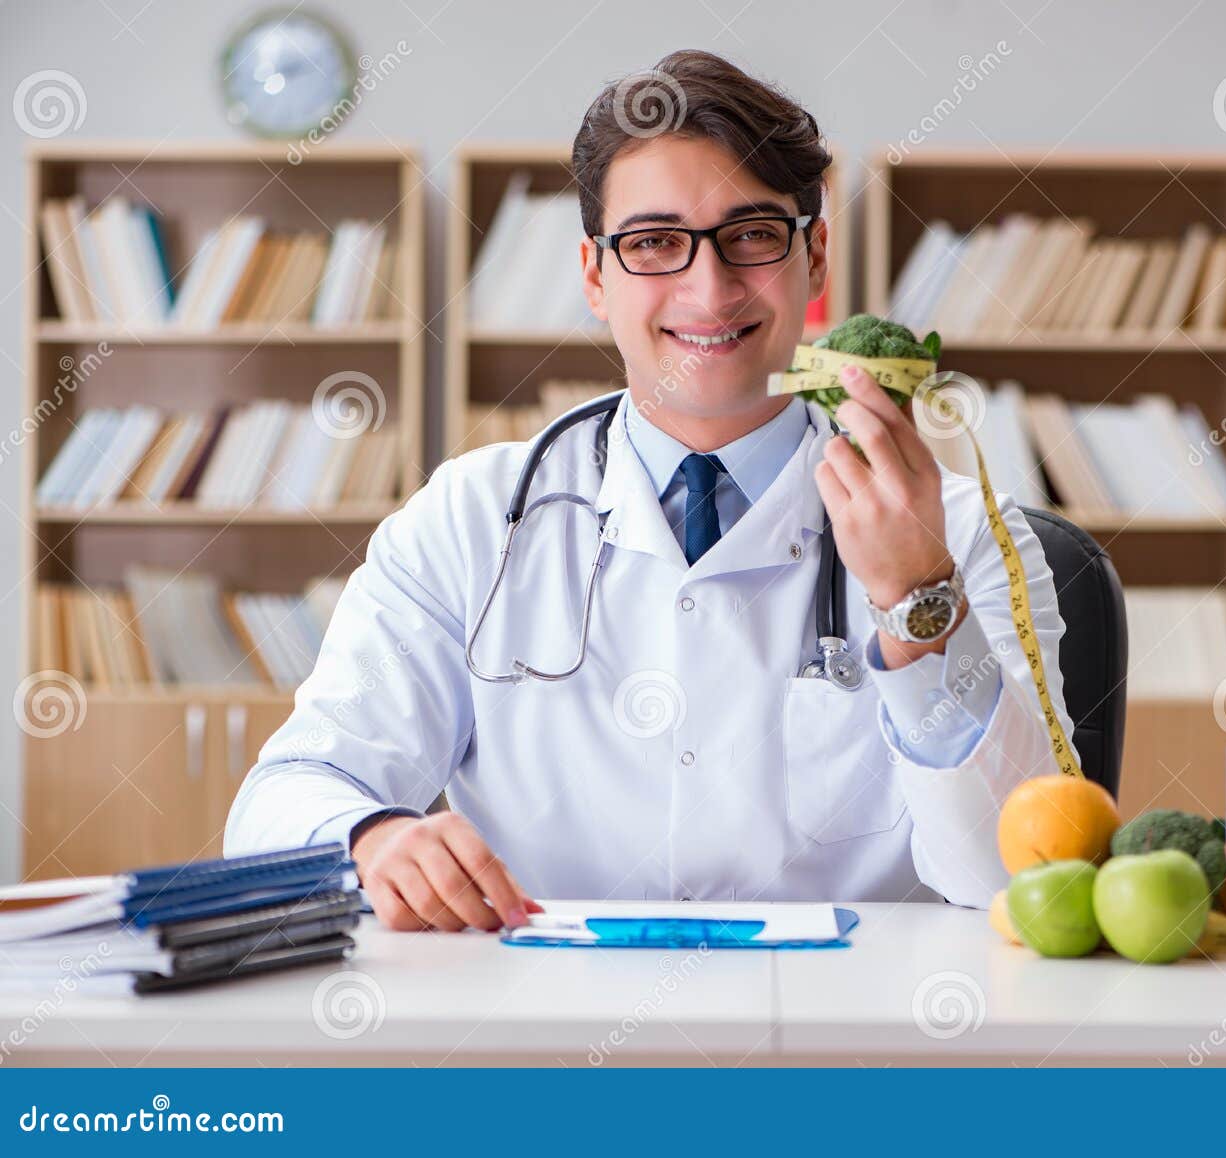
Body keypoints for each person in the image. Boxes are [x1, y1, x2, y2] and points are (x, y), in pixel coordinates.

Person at [224, 49, 1074, 931]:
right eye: (655, 243)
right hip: (547, 1041)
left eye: (751, 235)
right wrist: (368, 837)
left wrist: (915, 602)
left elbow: (1027, 878)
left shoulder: (967, 535)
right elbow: (282, 799)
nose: (709, 290)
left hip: (850, 1047)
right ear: (596, 276)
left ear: (814, 256)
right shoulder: (471, 521)